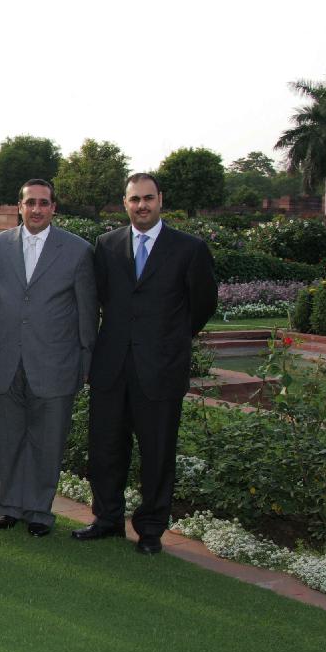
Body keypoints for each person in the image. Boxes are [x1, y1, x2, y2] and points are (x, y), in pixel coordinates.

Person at [74, 173, 217, 554]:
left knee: (156, 454)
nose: (142, 205)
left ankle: (151, 529)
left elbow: (202, 305)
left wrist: (168, 340)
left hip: (161, 369)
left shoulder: (189, 249)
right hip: (111, 367)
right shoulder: (106, 245)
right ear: (125, 203)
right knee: (105, 448)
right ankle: (106, 519)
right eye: (134, 199)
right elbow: (100, 298)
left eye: (148, 198)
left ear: (160, 200)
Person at [0, 179, 96, 537]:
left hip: (56, 363)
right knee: (9, 438)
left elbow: (87, 313)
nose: (37, 209)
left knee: (47, 442)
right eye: (30, 202)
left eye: (44, 203)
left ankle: (40, 512)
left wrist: (86, 362)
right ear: (20, 206)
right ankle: (9, 506)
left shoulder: (78, 250)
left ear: (54, 208)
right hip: (5, 361)